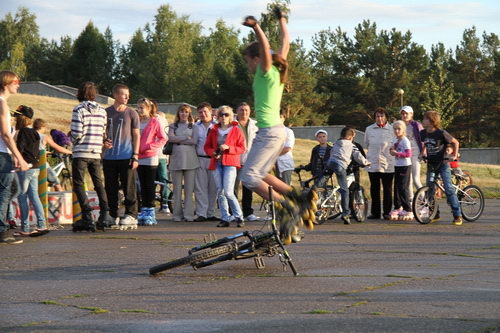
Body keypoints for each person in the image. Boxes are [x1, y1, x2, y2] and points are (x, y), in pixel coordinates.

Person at [241, 8, 316, 241]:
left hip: (270, 133)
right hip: (276, 132)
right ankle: (299, 197)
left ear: (257, 59)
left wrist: (257, 28)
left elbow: (265, 48)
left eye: (248, 62)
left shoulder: (264, 72)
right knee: (260, 173)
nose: (248, 67)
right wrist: (282, 19)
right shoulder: (277, 69)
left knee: (250, 178)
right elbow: (286, 43)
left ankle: (287, 207)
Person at [71, 82, 113, 230]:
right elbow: (103, 133)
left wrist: (71, 138)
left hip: (81, 152)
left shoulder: (78, 109)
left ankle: (87, 216)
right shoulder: (102, 110)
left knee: (79, 184)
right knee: (98, 183)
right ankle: (104, 215)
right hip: (96, 151)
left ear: (80, 93)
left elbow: (77, 133)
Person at [103, 84, 140, 230]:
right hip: (109, 157)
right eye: (124, 94)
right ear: (115, 95)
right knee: (110, 187)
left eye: (128, 95)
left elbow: (136, 135)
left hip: (127, 155)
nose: (127, 97)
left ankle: (131, 214)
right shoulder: (105, 112)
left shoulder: (132, 113)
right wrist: (103, 142)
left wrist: (135, 155)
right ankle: (113, 214)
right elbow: (102, 131)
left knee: (128, 187)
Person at [0, 71, 29, 244]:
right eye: (16, 81)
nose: (18, 84)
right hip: (2, 155)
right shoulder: (2, 104)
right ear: (6, 83)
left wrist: (14, 155)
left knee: (13, 189)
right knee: (6, 192)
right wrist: (20, 157)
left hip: (5, 154)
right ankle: (2, 231)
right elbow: (5, 134)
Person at [204, 106, 245, 227]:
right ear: (217, 116)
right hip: (217, 163)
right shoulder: (213, 130)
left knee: (228, 192)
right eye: (221, 114)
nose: (223, 117)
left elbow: (242, 147)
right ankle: (225, 217)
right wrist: (213, 153)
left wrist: (229, 148)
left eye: (226, 115)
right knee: (220, 191)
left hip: (230, 163)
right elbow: (207, 147)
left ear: (230, 116)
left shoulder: (236, 130)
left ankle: (239, 216)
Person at [420, 111, 462, 225]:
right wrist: (422, 153)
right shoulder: (423, 133)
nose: (422, 121)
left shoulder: (441, 133)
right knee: (430, 189)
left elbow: (455, 142)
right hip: (431, 164)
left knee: (448, 188)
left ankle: (457, 215)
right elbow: (425, 143)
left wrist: (453, 156)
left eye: (425, 119)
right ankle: (434, 213)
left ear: (432, 121)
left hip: (443, 164)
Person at [13, 105, 49, 237]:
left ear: (22, 118)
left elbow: (20, 149)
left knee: (22, 197)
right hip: (35, 167)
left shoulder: (22, 132)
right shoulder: (35, 133)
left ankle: (25, 227)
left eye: (17, 116)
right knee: (34, 196)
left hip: (24, 168)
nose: (15, 118)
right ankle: (41, 225)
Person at [324, 126, 370, 224]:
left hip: (330, 163)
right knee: (344, 190)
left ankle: (317, 194)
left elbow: (331, 152)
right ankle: (346, 213)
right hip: (341, 166)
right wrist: (366, 163)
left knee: (323, 183)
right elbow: (358, 156)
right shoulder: (351, 145)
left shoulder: (336, 143)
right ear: (350, 137)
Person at [136, 98, 167, 225]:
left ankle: (150, 212)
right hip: (138, 156)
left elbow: (163, 138)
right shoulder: (136, 120)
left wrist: (151, 146)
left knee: (149, 185)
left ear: (149, 108)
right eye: (138, 107)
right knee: (142, 185)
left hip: (150, 156)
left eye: (142, 108)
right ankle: (144, 210)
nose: (139, 110)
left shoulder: (155, 120)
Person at [168, 104, 199, 222]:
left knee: (189, 189)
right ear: (178, 113)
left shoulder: (194, 127)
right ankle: (176, 214)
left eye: (186, 112)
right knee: (176, 190)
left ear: (189, 113)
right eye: (182, 112)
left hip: (190, 160)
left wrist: (179, 139)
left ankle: (189, 215)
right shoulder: (172, 126)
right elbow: (170, 138)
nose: (184, 114)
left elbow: (194, 141)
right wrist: (186, 138)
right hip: (176, 160)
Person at [365, 107, 395, 220]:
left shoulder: (392, 129)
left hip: (387, 163)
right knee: (374, 188)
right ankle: (375, 212)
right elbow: (367, 143)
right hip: (373, 163)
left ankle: (387, 212)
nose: (380, 118)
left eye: (382, 116)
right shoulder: (369, 129)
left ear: (386, 117)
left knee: (387, 189)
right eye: (377, 116)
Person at [235, 102, 259, 221]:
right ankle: (233, 212)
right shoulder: (232, 124)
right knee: (233, 188)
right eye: (241, 110)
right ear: (237, 111)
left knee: (248, 187)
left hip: (250, 159)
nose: (244, 112)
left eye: (246, 110)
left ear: (250, 112)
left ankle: (248, 212)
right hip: (235, 159)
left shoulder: (255, 125)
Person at [193, 102, 218, 222]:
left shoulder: (217, 126)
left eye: (205, 111)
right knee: (200, 187)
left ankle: (210, 213)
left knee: (213, 188)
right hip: (200, 158)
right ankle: (201, 213)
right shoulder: (195, 126)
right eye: (200, 112)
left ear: (211, 112)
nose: (203, 114)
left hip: (214, 160)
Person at [33, 118, 72, 191]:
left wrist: (46, 152)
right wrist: (70, 152)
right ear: (42, 126)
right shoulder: (44, 137)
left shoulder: (28, 134)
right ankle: (61, 201)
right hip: (42, 164)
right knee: (56, 183)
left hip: (30, 163)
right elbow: (58, 148)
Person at [388, 120, 413, 220]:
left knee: (403, 187)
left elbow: (408, 154)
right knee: (397, 187)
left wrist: (397, 153)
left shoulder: (405, 140)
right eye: (395, 129)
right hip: (397, 165)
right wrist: (391, 151)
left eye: (399, 129)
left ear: (403, 130)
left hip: (405, 166)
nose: (397, 131)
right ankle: (398, 207)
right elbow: (392, 150)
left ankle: (408, 209)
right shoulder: (396, 140)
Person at [399, 106, 424, 201]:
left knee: (416, 179)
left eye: (406, 113)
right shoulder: (400, 125)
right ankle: (411, 201)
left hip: (415, 153)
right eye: (403, 113)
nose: (404, 115)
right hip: (404, 154)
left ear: (411, 114)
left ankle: (425, 200)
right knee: (408, 180)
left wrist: (423, 153)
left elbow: (423, 139)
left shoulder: (416, 125)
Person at [155, 106, 171, 213]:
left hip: (151, 155)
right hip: (162, 155)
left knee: (151, 181)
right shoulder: (164, 122)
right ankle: (165, 203)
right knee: (164, 180)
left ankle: (149, 203)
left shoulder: (152, 119)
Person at [275, 111, 295, 185]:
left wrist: (273, 154)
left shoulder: (288, 132)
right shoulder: (269, 132)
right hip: (271, 165)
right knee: (274, 190)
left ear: (284, 118)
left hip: (285, 165)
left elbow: (288, 148)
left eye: (280, 117)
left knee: (286, 188)